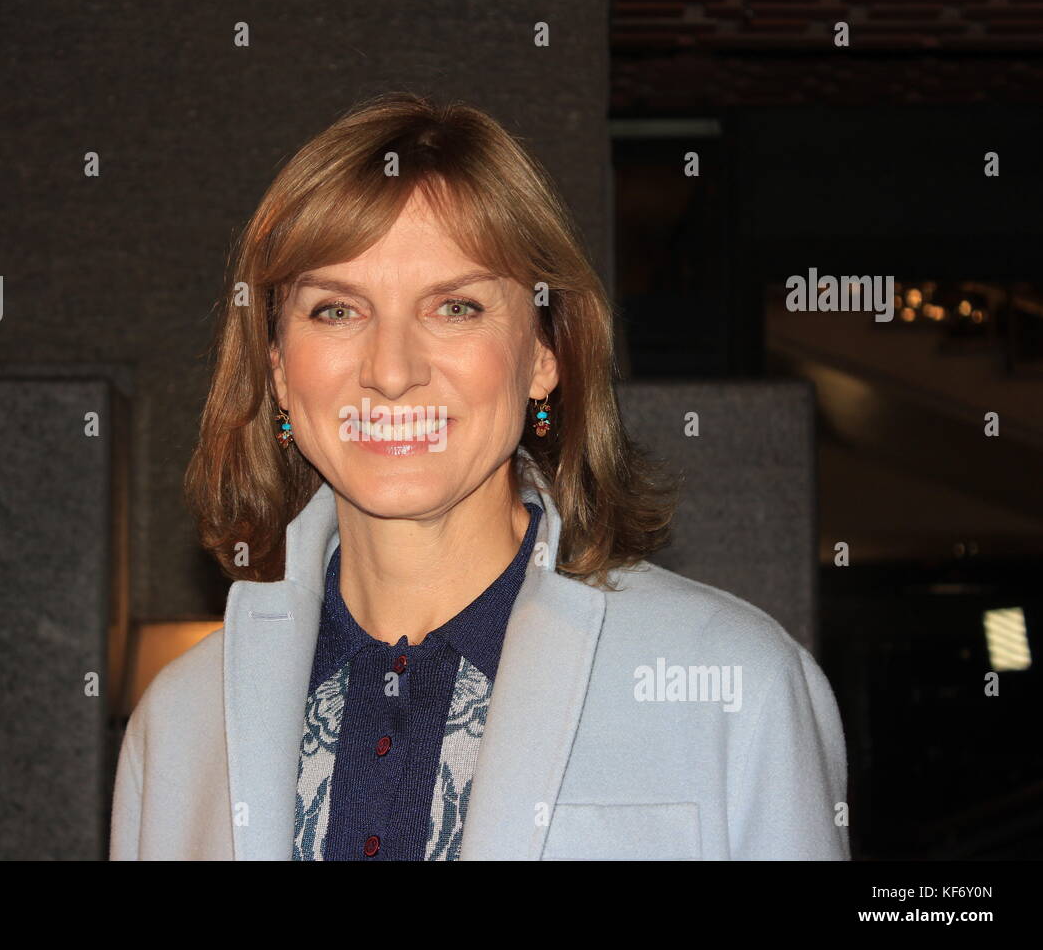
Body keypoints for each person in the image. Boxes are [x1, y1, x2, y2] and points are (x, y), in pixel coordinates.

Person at [109, 91, 849, 860]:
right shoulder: (180, 722)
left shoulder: (733, 683)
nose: (392, 372)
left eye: (455, 307)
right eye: (337, 310)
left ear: (544, 353)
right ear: (278, 368)